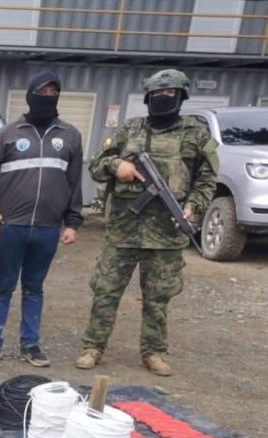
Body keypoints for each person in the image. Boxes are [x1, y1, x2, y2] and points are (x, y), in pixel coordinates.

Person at [77, 69, 218, 376]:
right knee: (106, 291)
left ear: (181, 97)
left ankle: (153, 352)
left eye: (169, 94)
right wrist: (117, 165)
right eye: (157, 94)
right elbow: (97, 165)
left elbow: (207, 181)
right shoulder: (130, 129)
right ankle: (93, 346)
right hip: (124, 230)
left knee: (158, 298)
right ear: (147, 98)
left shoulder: (196, 134)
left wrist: (192, 207)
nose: (163, 99)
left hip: (166, 235)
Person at [0, 71, 84, 368]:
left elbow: (74, 183)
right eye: (42, 92)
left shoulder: (70, 136)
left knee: (34, 288)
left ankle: (30, 345)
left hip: (48, 228)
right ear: (30, 95)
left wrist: (72, 223)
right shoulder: (8, 134)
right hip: (12, 227)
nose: (47, 97)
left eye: (53, 93)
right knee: (3, 286)